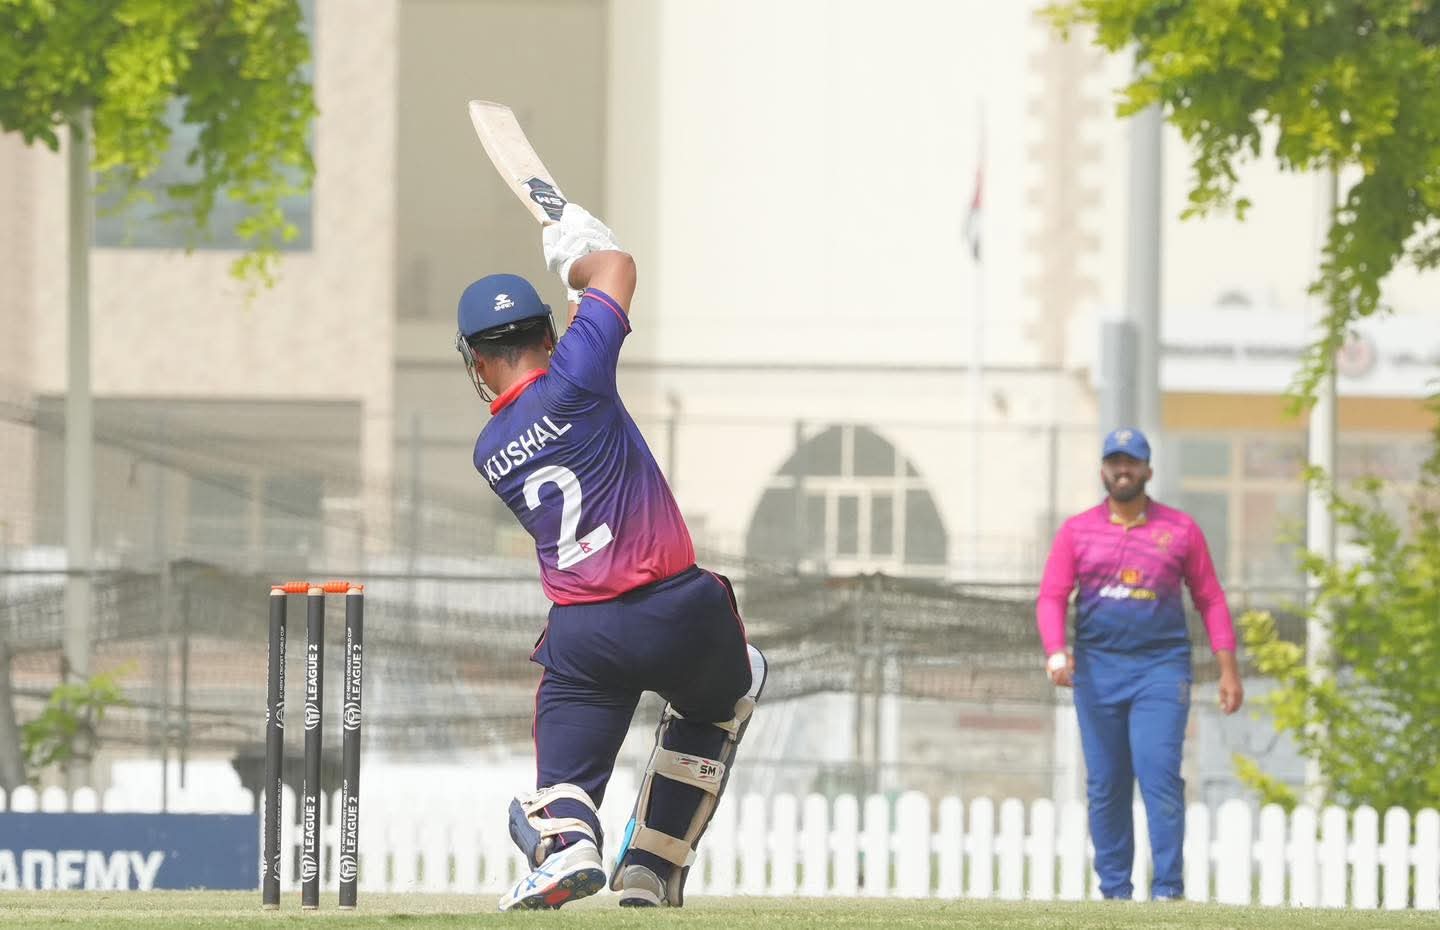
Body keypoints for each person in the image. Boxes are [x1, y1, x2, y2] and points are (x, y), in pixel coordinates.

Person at [455, 202, 765, 911]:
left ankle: (567, 841)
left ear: (478, 361)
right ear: (549, 334)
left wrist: (581, 283)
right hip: (679, 612)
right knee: (731, 690)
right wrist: (581, 259)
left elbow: (566, 371)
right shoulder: (579, 376)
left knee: (561, 788)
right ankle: (652, 867)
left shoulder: (490, 450)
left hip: (586, 638)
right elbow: (617, 269)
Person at [1036, 428, 1243, 901]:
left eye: (1132, 462)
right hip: (1098, 671)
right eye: (1115, 462)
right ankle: (1115, 893)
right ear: (1103, 470)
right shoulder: (1077, 532)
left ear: (1148, 470)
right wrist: (1056, 650)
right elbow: (1051, 596)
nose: (1123, 470)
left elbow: (1210, 598)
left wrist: (1228, 668)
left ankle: (1167, 890)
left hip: (1160, 669)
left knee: (1158, 773)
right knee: (1106, 783)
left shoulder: (1181, 530)